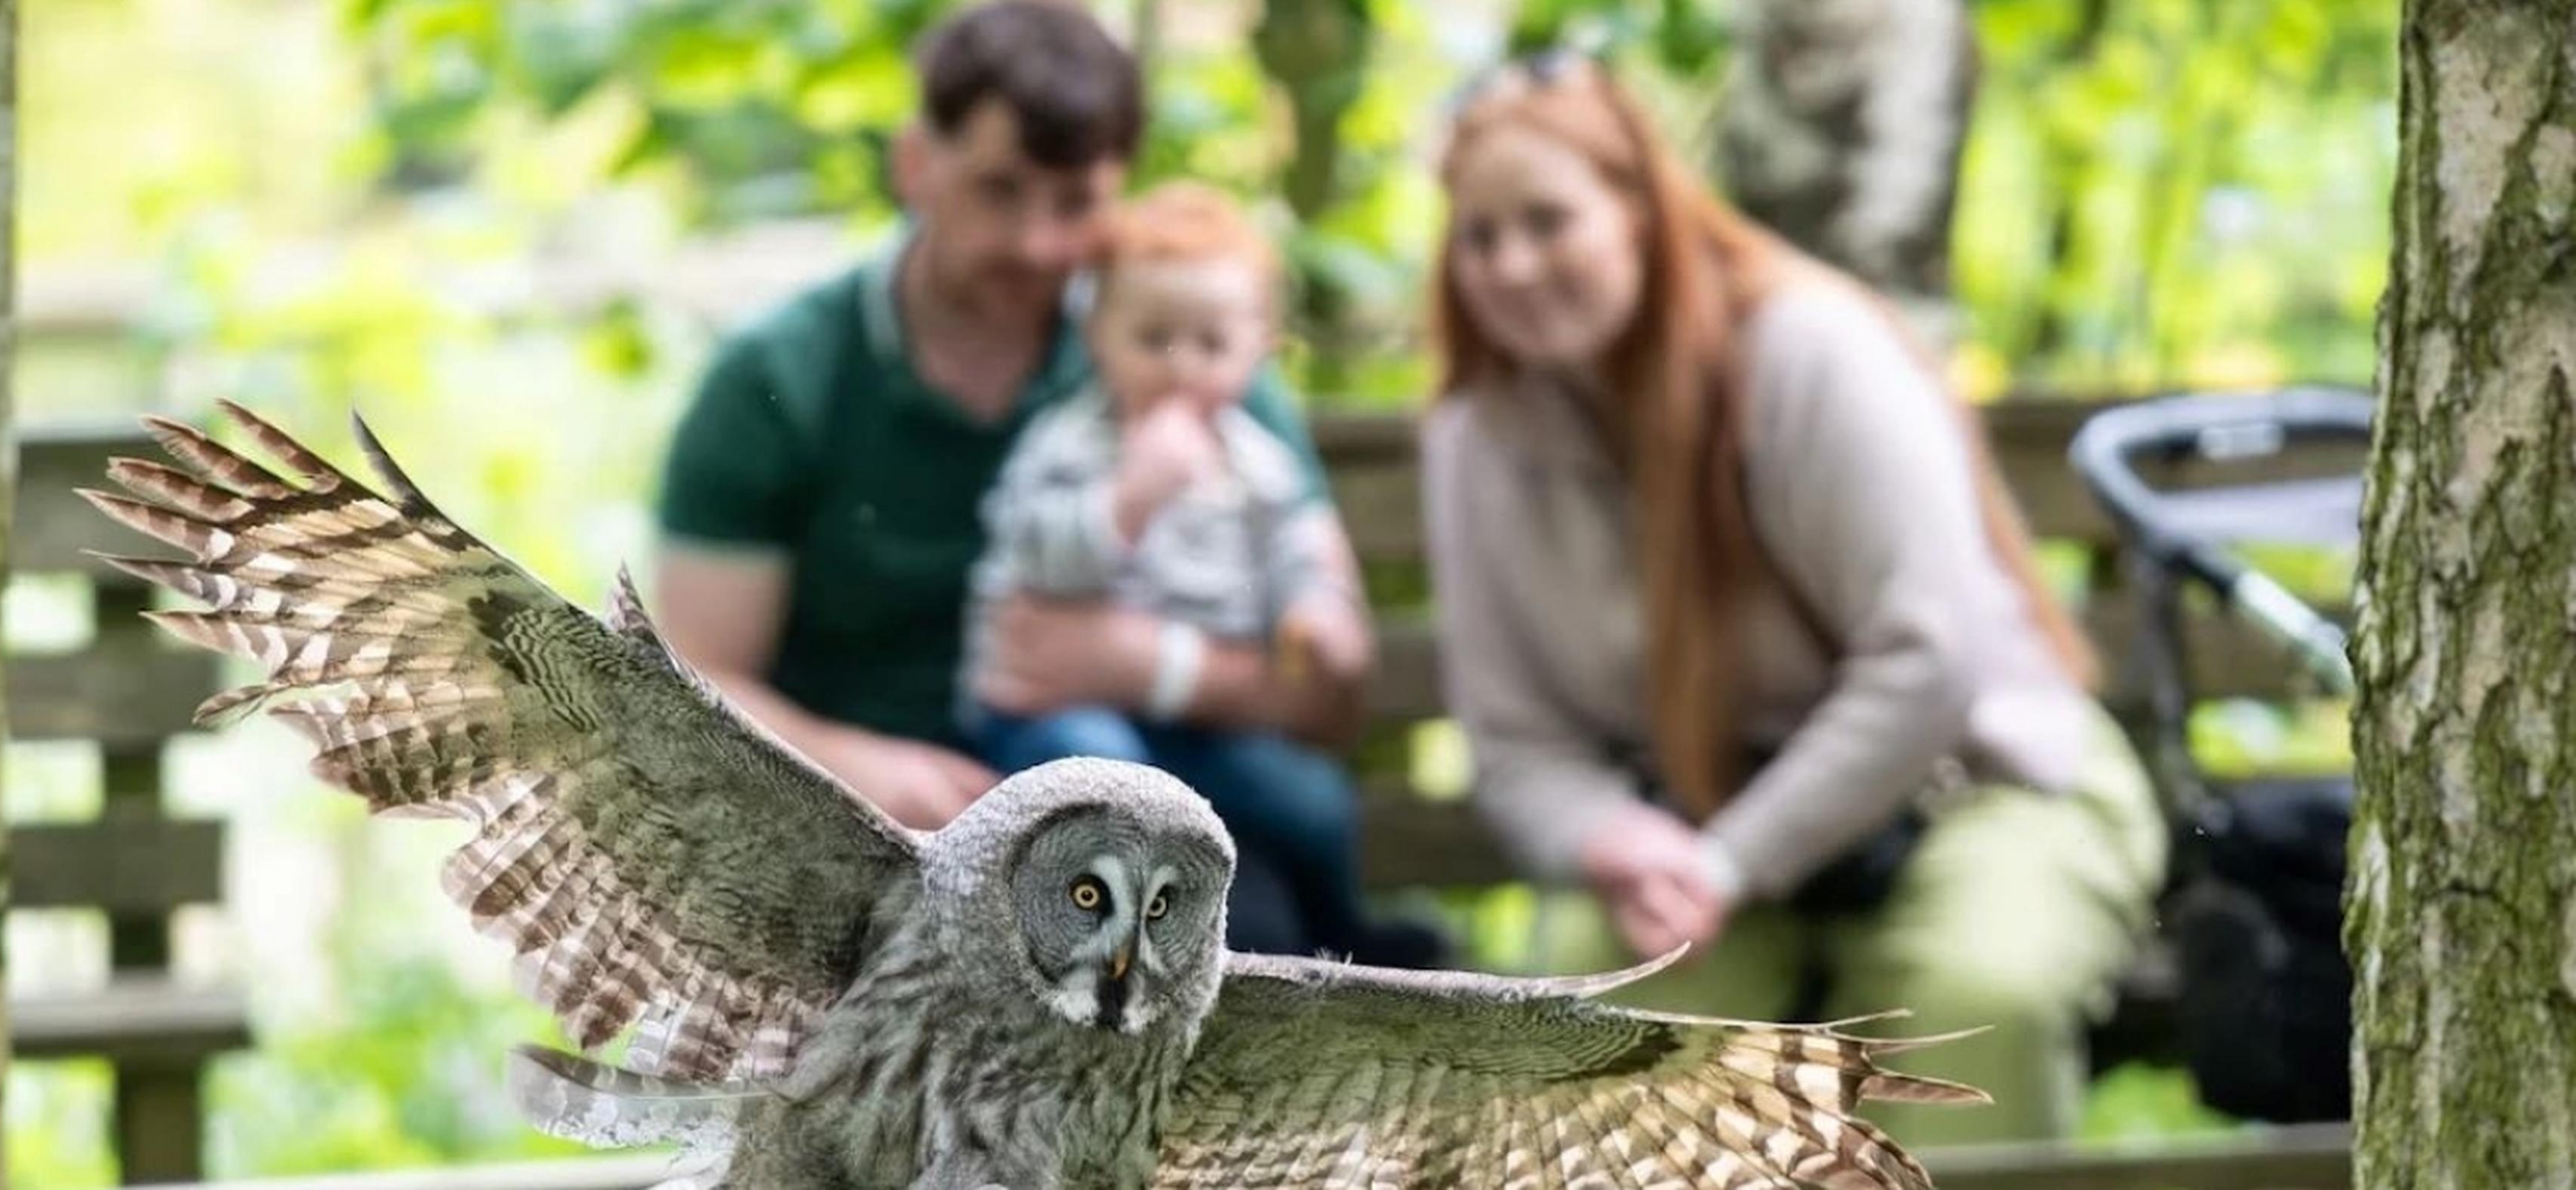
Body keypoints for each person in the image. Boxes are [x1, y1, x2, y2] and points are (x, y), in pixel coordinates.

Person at [1416, 51, 2166, 1147]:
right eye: (1480, 237)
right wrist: (1613, 840)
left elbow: (1929, 662)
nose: (1513, 266)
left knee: (1967, 1009)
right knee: (1599, 1019)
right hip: (1692, 827)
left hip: (1976, 787)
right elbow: (1516, 741)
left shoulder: (1813, 352)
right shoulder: (1475, 439)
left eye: (1548, 221)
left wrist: (1731, 861)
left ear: (1640, 209)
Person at [645, 0, 1375, 956]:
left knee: (1236, 940)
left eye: (1073, 203)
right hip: (858, 847)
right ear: (917, 165)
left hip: (1154, 841)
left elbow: (1335, 678)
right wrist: (860, 768)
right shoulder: (779, 380)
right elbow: (696, 679)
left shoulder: (1182, 364)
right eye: (1000, 190)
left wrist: (1152, 664)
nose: (1036, 242)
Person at [955, 181, 1434, 967]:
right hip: (1067, 709)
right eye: (1153, 338)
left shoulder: (1255, 460)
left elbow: (1295, 553)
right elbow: (1031, 554)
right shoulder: (1070, 444)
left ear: (1258, 350)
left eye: (1210, 345)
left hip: (1209, 724)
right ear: (1099, 335)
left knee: (1312, 799)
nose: (1181, 365)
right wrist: (1128, 501)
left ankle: (1344, 927)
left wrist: (1317, 612)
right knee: (1103, 779)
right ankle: (1121, 959)